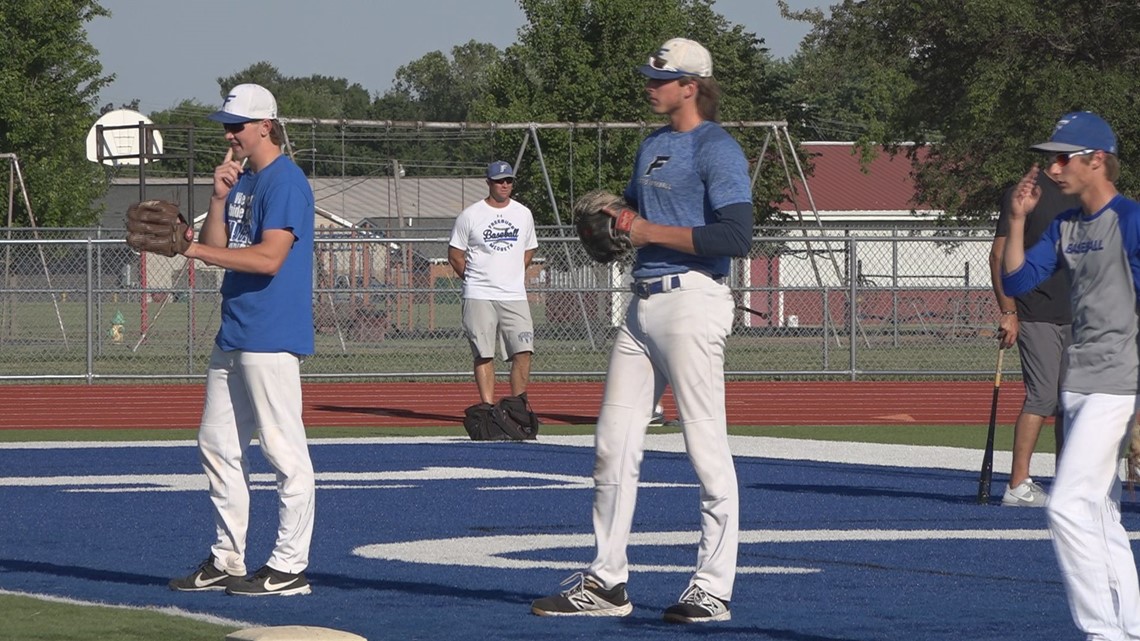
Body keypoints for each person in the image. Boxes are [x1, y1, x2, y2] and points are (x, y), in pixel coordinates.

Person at [531, 37, 752, 623]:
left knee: (705, 446)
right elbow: (631, 217)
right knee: (612, 444)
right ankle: (607, 581)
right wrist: (615, 221)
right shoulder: (652, 144)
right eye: (651, 78)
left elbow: (736, 236)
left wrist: (647, 230)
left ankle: (713, 588)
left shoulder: (717, 148)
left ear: (691, 86)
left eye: (661, 79)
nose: (650, 87)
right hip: (643, 302)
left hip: (694, 299)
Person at [167, 83, 317, 597]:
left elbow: (269, 259)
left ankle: (290, 566)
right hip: (235, 329)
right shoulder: (245, 180)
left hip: (270, 334)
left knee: (283, 452)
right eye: (227, 126)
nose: (229, 134)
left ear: (266, 127)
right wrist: (217, 199)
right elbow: (218, 248)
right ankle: (228, 558)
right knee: (217, 445)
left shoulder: (286, 181)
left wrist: (191, 251)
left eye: (237, 125)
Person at [1001, 111, 1140, 639]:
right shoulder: (1065, 226)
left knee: (1065, 504)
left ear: (1097, 160)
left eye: (1063, 158)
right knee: (1100, 514)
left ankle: (1102, 632)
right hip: (1078, 382)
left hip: (1118, 381)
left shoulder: (1131, 220)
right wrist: (1018, 220)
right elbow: (1019, 280)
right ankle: (1130, 626)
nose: (1053, 168)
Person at [989, 172, 1077, 507]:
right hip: (1035, 312)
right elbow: (998, 255)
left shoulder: (1082, 192)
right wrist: (1008, 310)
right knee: (1042, 397)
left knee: (1071, 401)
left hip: (1076, 315)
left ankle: (1069, 483)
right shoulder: (1025, 192)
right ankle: (1017, 484)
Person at [448, 161, 539, 408]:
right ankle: (488, 408)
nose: (504, 185)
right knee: (484, 353)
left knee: (523, 351)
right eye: (499, 181)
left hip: (514, 295)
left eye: (508, 180)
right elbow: (455, 255)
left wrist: (513, 273)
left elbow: (529, 249)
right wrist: (474, 279)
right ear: (489, 183)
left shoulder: (523, 214)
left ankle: (518, 407)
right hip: (479, 295)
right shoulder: (470, 215)